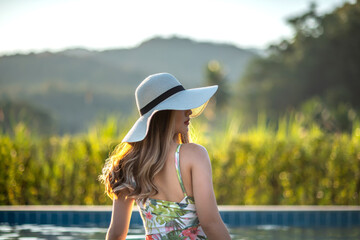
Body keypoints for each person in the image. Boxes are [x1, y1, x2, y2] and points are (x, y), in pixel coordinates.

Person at [99, 73, 231, 240]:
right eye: (182, 105)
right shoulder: (194, 155)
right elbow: (210, 223)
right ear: (165, 113)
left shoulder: (128, 165)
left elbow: (117, 233)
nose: (189, 111)